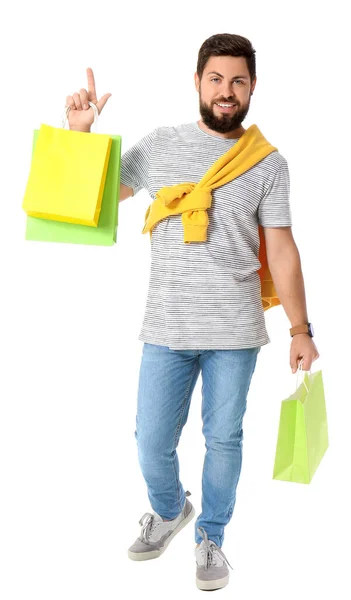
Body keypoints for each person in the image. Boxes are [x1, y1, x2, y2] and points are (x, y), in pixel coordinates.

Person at [65, 33, 320, 592]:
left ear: (252, 88)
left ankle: (212, 537)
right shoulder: (159, 145)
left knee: (223, 439)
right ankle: (169, 509)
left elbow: (281, 248)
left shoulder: (268, 163)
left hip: (235, 329)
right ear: (197, 82)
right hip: (166, 324)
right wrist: (80, 138)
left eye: (238, 81)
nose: (226, 92)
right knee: (151, 440)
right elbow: (101, 200)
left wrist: (301, 328)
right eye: (216, 79)